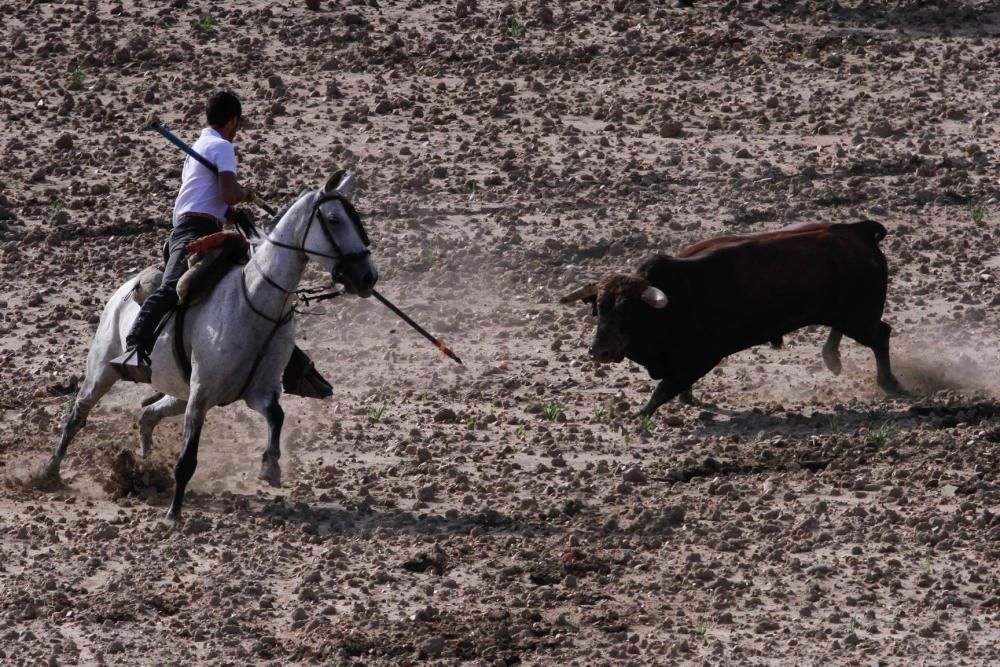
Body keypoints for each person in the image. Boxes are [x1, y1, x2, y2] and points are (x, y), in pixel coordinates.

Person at [120, 91, 254, 378]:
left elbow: (208, 197)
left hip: (201, 224)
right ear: (233, 121)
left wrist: (231, 213)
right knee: (170, 288)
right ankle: (134, 345)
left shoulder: (201, 146)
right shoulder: (222, 147)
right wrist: (245, 195)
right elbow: (229, 193)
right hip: (194, 231)